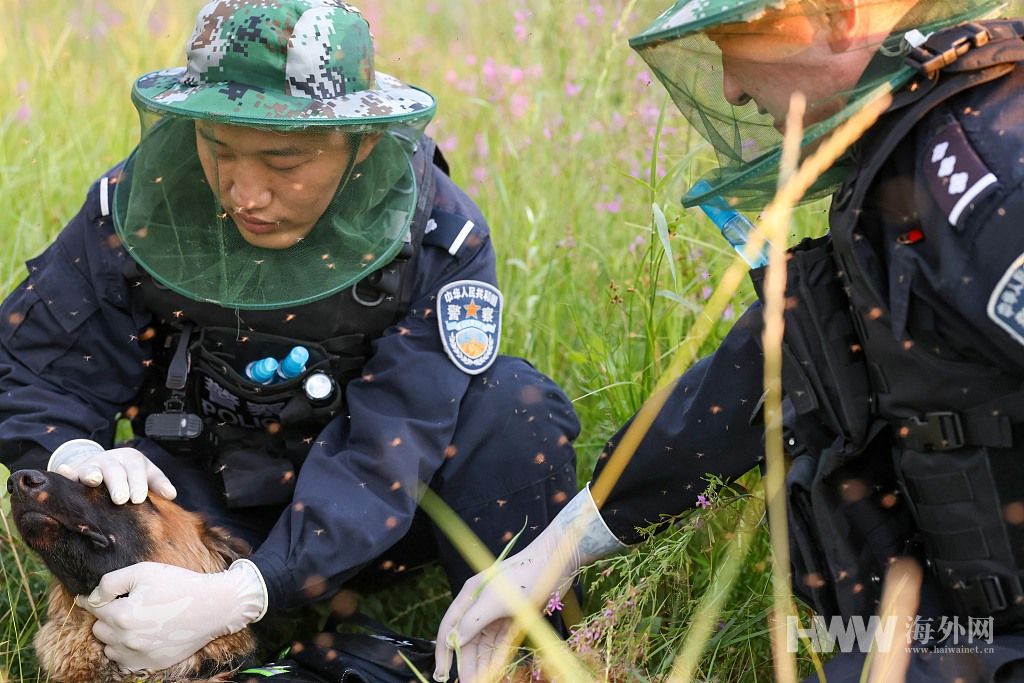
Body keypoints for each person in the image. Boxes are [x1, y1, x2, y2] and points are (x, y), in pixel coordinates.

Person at [434, 1, 1024, 681]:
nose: (730, 88)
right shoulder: (905, 154)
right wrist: (562, 546)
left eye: (738, 40)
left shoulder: (982, 171)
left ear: (840, 17)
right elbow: (768, 364)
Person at [0, 0, 581, 675]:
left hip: (386, 519)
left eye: (282, 162)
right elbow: (33, 364)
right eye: (217, 148)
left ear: (362, 142)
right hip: (206, 502)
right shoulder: (142, 205)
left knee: (517, 406)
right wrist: (73, 451)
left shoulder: (435, 239)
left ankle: (520, 650)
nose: (244, 193)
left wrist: (246, 592)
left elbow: (388, 450)